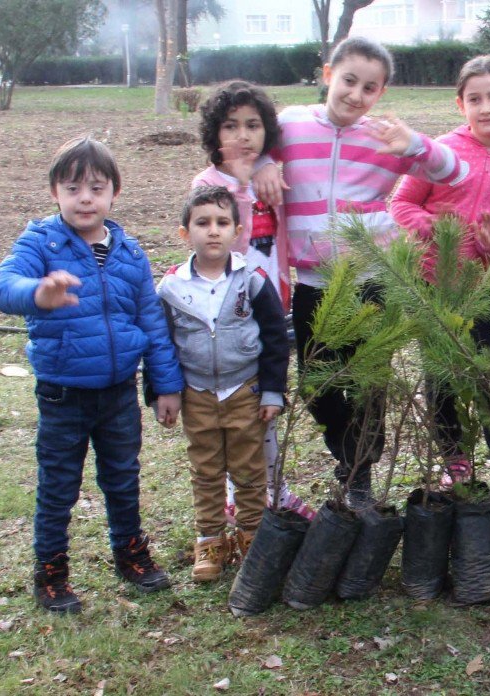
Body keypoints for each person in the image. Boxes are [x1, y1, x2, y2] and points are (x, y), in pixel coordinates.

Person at [252, 36, 467, 508]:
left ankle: (360, 477)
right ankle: (348, 456)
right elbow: (253, 145)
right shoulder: (290, 123)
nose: (356, 94)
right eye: (349, 80)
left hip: (373, 278)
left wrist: (414, 144)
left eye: (370, 88)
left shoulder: (384, 139)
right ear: (328, 74)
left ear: (381, 93)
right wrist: (265, 162)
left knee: (371, 381)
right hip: (312, 282)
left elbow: (454, 172)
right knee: (317, 382)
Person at [0, 136, 183, 613]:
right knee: (59, 485)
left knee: (123, 477)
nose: (85, 198)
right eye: (72, 187)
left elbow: (151, 323)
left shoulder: (130, 253)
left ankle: (131, 555)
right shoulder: (41, 242)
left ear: (114, 192)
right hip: (63, 395)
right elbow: (2, 286)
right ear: (55, 192)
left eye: (96, 187)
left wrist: (166, 386)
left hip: (119, 392)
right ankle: (51, 571)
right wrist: (38, 292)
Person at [390, 55, 490, 502]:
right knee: (441, 380)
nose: (486, 108)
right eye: (475, 99)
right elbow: (401, 205)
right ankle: (455, 463)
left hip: (483, 288)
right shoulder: (439, 152)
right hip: (433, 284)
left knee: (488, 379)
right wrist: (435, 228)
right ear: (459, 104)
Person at [193, 80, 315, 524]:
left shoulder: (272, 174)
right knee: (233, 408)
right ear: (214, 136)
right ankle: (241, 494)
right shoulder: (209, 185)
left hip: (273, 308)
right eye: (230, 126)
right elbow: (217, 235)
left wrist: (264, 166)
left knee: (265, 403)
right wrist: (246, 181)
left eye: (253, 126)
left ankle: (269, 490)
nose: (243, 136)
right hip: (227, 315)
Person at [156, 186, 289, 582]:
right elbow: (160, 344)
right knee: (206, 468)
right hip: (196, 393)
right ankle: (210, 539)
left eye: (221, 222)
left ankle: (252, 534)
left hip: (244, 390)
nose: (212, 231)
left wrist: (272, 390)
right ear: (185, 233)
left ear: (237, 231)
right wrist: (163, 392)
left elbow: (275, 338)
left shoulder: (253, 280)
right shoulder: (172, 287)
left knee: (249, 467)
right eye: (202, 223)